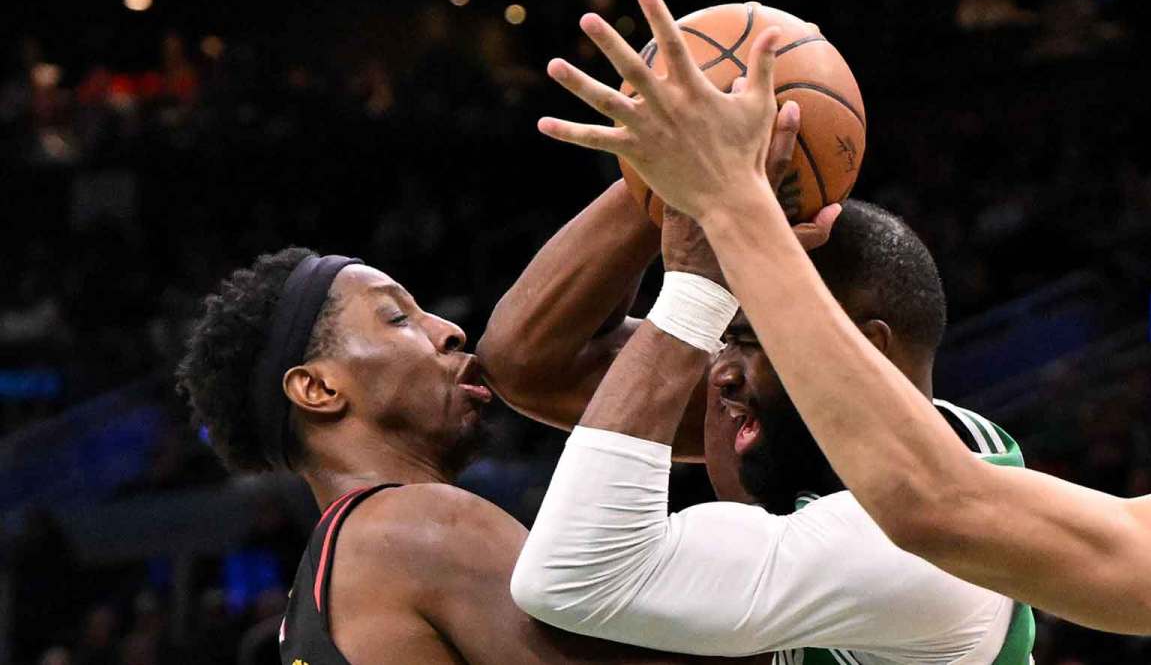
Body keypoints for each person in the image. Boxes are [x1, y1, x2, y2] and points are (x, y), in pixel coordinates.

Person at [516, 0, 1151, 653]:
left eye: (751, 334)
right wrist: (678, 153)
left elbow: (574, 572)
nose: (720, 365)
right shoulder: (837, 431)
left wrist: (723, 207)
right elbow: (529, 364)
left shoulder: (915, 558)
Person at [175, 247, 749, 664]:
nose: (449, 331)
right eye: (398, 318)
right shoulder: (408, 529)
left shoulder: (325, 589)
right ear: (318, 390)